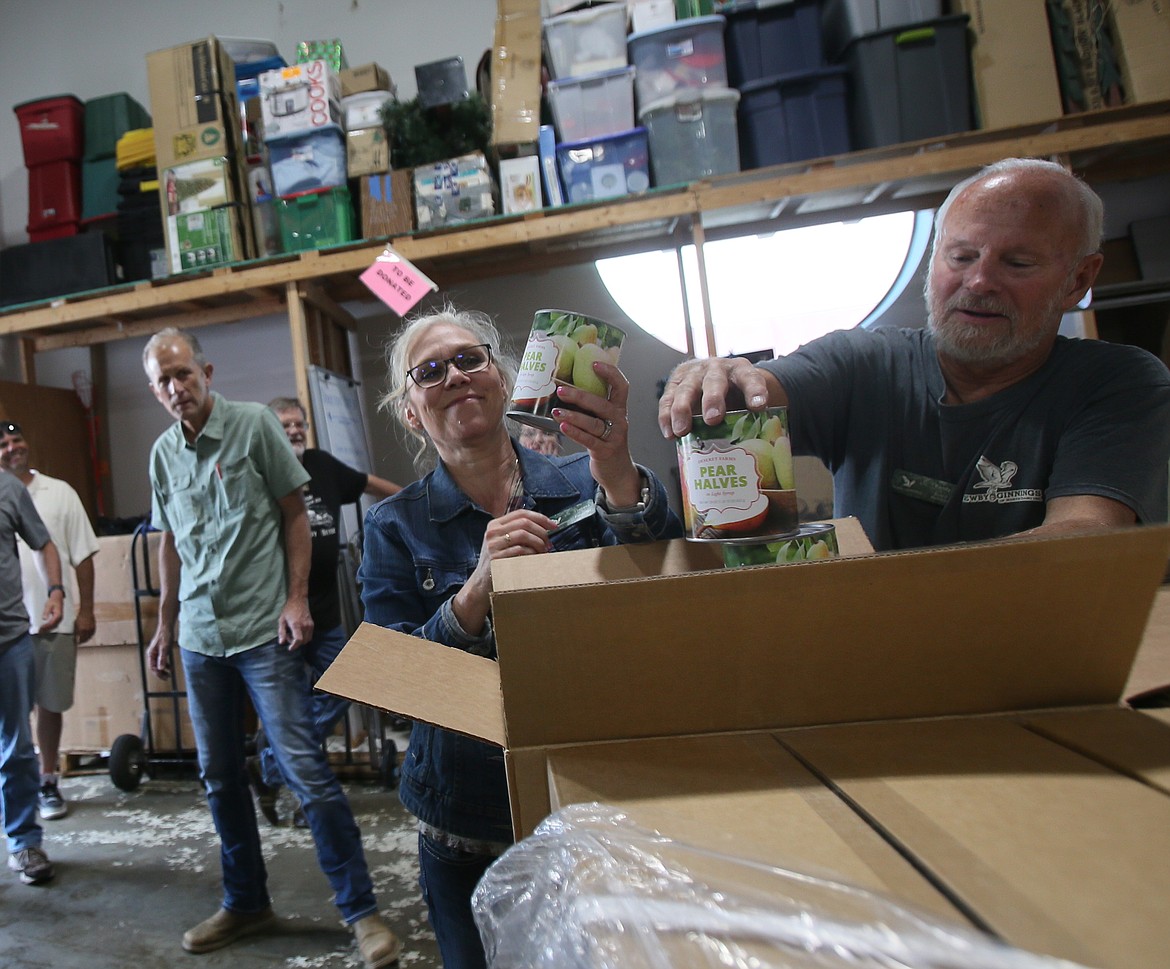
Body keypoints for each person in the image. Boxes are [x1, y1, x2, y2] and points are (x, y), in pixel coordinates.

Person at [358, 305, 683, 969]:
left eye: (470, 358)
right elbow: (395, 679)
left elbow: (664, 581)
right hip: (464, 821)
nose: (454, 375)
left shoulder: (580, 479)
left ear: (503, 379)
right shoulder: (393, 526)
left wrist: (618, 464)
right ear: (412, 412)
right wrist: (476, 589)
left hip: (588, 798)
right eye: (430, 370)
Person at [658, 157, 1170, 551]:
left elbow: (1084, 536)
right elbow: (759, 390)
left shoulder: (1119, 384)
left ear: (1079, 279)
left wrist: (902, 588)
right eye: (961, 256)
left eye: (1017, 263)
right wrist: (716, 377)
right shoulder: (864, 364)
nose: (979, 281)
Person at [141, 328, 401, 967]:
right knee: (220, 777)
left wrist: (295, 600)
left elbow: (293, 512)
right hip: (202, 638)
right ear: (155, 390)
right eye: (163, 381)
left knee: (308, 772)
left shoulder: (255, 426)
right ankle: (246, 901)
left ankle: (361, 912)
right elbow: (170, 542)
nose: (176, 388)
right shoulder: (162, 454)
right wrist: (165, 623)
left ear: (205, 369)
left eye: (183, 373)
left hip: (263, 631)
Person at [248, 397, 402, 827]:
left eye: (300, 424)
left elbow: (370, 483)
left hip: (326, 613)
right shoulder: (261, 469)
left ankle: (270, 766)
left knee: (346, 685)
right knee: (294, 707)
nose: (295, 431)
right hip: (279, 614)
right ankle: (304, 801)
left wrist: (416, 502)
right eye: (285, 425)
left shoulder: (323, 464)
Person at [0, 421, 100, 821]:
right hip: (9, 626)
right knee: (12, 718)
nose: (12, 448)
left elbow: (82, 553)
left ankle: (46, 779)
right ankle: (19, 790)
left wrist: (86, 608)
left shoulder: (58, 493)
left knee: (50, 703)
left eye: (17, 439)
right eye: (3, 443)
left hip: (49, 620)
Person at [1, 451, 64, 885]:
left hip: (10, 640)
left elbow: (43, 542)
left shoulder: (8, 488)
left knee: (17, 748)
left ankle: (24, 842)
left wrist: (56, 590)